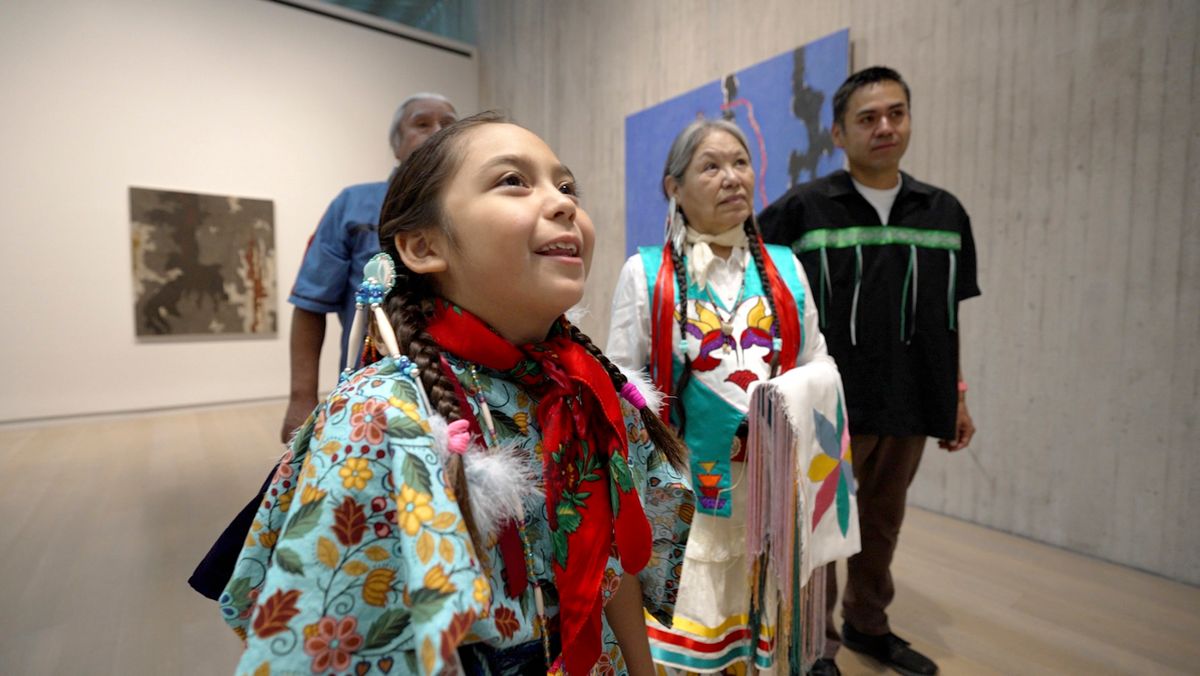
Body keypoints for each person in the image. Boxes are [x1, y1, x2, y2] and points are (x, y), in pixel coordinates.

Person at [218, 112, 695, 676]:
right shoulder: (381, 420)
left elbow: (614, 567)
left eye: (567, 187)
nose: (563, 203)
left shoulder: (590, 388)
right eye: (513, 181)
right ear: (423, 246)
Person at [757, 66, 981, 676]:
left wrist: (957, 394)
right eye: (868, 118)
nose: (885, 127)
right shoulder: (801, 211)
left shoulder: (944, 212)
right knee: (818, 527)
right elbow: (758, 296)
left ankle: (868, 623)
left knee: (883, 523)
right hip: (827, 403)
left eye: (896, 113)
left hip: (912, 399)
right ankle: (813, 644)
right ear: (838, 133)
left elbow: (948, 316)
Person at [608, 118, 833, 674]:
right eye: (711, 166)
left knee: (759, 621)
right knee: (691, 629)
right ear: (674, 187)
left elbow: (818, 364)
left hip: (770, 487)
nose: (732, 177)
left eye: (740, 163)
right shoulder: (647, 273)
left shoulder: (786, 267)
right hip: (687, 485)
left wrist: (781, 400)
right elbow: (622, 383)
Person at [280, 93, 458, 443]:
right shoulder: (352, 205)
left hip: (464, 391)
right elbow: (310, 304)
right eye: (422, 124)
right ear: (397, 145)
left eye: (449, 125)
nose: (438, 131)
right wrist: (301, 398)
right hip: (370, 392)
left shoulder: (478, 208)